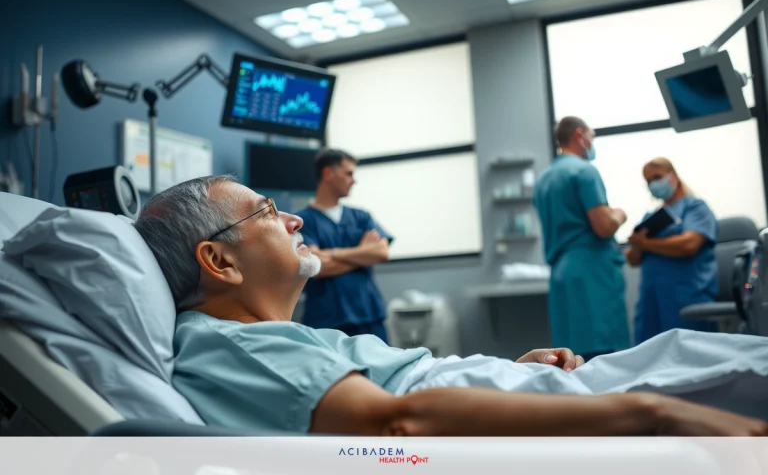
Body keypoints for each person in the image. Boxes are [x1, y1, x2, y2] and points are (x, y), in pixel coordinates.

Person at [133, 175, 768, 437]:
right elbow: (395, 425)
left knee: (692, 351)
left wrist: (512, 371)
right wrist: (647, 413)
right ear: (219, 262)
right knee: (704, 366)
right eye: (269, 211)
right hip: (471, 403)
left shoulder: (271, 339)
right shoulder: (223, 345)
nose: (294, 218)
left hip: (478, 383)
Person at [533, 116, 630, 361]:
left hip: (562, 275)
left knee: (569, 357)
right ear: (579, 135)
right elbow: (603, 227)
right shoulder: (584, 172)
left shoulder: (544, 179)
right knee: (601, 359)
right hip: (591, 272)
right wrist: (618, 215)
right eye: (591, 136)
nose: (592, 142)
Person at [294, 148, 392, 343]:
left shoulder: (361, 217)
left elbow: (382, 252)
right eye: (349, 173)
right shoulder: (303, 220)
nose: (353, 180)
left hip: (368, 315)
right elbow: (316, 266)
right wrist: (363, 255)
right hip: (327, 321)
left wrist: (331, 253)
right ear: (328, 173)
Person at [625, 157, 719, 345]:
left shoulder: (695, 207)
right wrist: (636, 245)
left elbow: (688, 245)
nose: (653, 184)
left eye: (657, 177)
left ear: (673, 176)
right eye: (649, 181)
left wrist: (646, 244)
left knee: (691, 355)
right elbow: (632, 259)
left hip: (686, 297)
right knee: (649, 355)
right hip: (651, 302)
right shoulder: (649, 217)